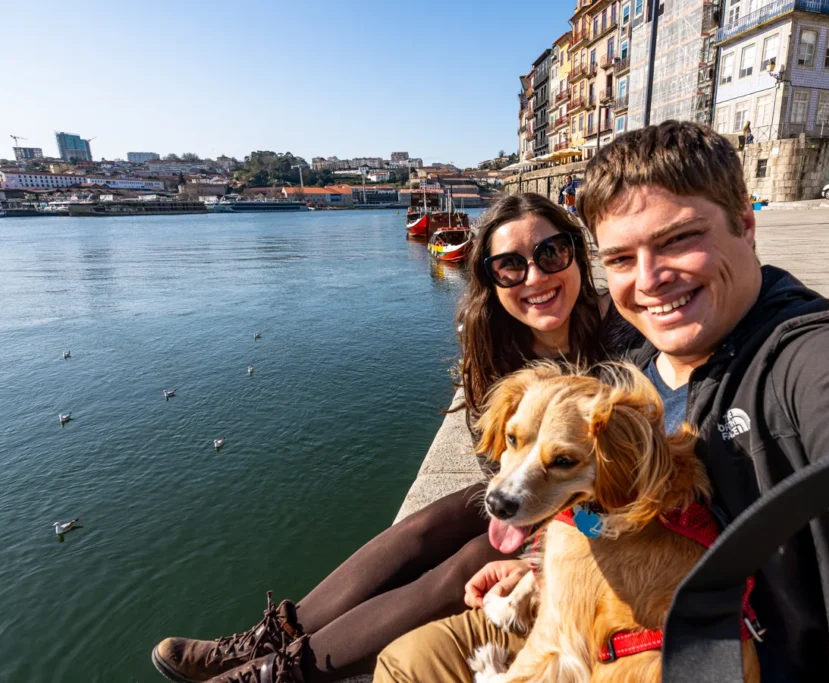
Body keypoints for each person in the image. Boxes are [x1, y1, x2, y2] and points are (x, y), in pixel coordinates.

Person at [374, 121, 829, 683]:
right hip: (591, 609)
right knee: (407, 656)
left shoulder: (813, 359)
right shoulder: (630, 372)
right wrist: (537, 569)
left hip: (715, 654)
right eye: (623, 257)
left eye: (679, 239)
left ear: (746, 220)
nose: (651, 279)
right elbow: (606, 508)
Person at [150, 193, 641, 683]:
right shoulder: (494, 343)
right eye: (510, 266)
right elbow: (497, 466)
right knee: (428, 527)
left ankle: (281, 674)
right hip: (537, 490)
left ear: (577, 251)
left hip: (608, 510)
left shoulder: (628, 333)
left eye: (551, 253)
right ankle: (272, 636)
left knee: (472, 558)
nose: (535, 277)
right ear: (489, 279)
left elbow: (641, 468)